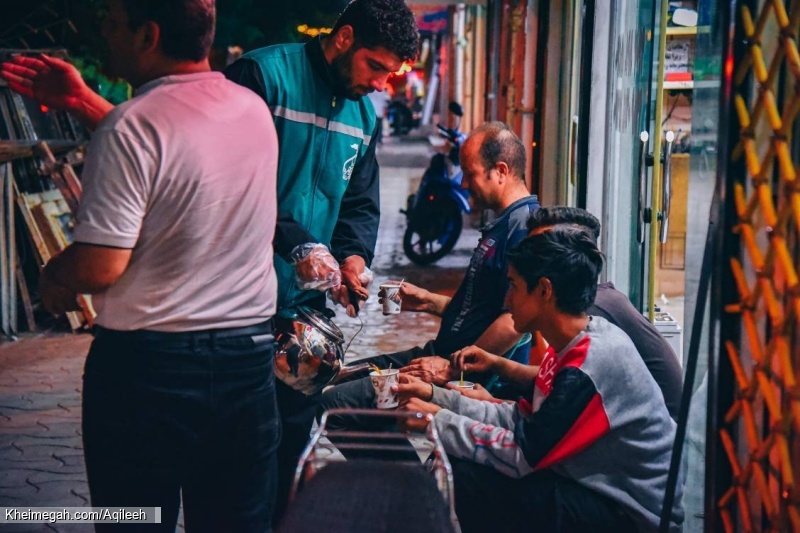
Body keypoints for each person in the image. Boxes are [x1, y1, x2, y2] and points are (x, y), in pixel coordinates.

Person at [2, 0, 420, 522]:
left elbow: (357, 200)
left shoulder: (360, 115)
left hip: (276, 332)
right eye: (375, 67)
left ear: (147, 36)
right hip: (235, 339)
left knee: (248, 492)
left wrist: (352, 257)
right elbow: (194, 153)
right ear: (344, 39)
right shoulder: (260, 83)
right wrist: (300, 245)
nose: (381, 84)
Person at [33, 1, 280, 531]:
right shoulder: (252, 110)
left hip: (148, 373)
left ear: (148, 35)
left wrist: (53, 276)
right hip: (248, 361)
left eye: (113, 23)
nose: (103, 31)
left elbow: (100, 266)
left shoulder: (129, 128)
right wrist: (83, 100)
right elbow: (181, 144)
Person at [395, 227, 684, 532]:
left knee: (470, 479)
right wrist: (436, 397)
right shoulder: (579, 341)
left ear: (544, 290)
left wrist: (437, 422)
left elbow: (521, 454)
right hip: (593, 488)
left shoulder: (588, 366)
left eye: (514, 286)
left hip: (634, 517)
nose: (507, 300)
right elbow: (522, 419)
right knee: (463, 462)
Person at [320, 122, 540, 426]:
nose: (463, 184)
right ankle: (399, 469)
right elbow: (477, 310)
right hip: (436, 354)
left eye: (470, 173)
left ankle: (402, 474)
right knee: (341, 375)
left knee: (337, 405)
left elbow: (514, 323)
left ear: (500, 171)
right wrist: (425, 300)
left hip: (464, 376)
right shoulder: (504, 224)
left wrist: (451, 369)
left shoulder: (523, 228)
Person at [454, 206, 684, 419]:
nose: (531, 256)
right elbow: (556, 378)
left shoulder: (587, 310)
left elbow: (540, 434)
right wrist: (497, 365)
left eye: (544, 249)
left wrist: (488, 403)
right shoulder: (577, 307)